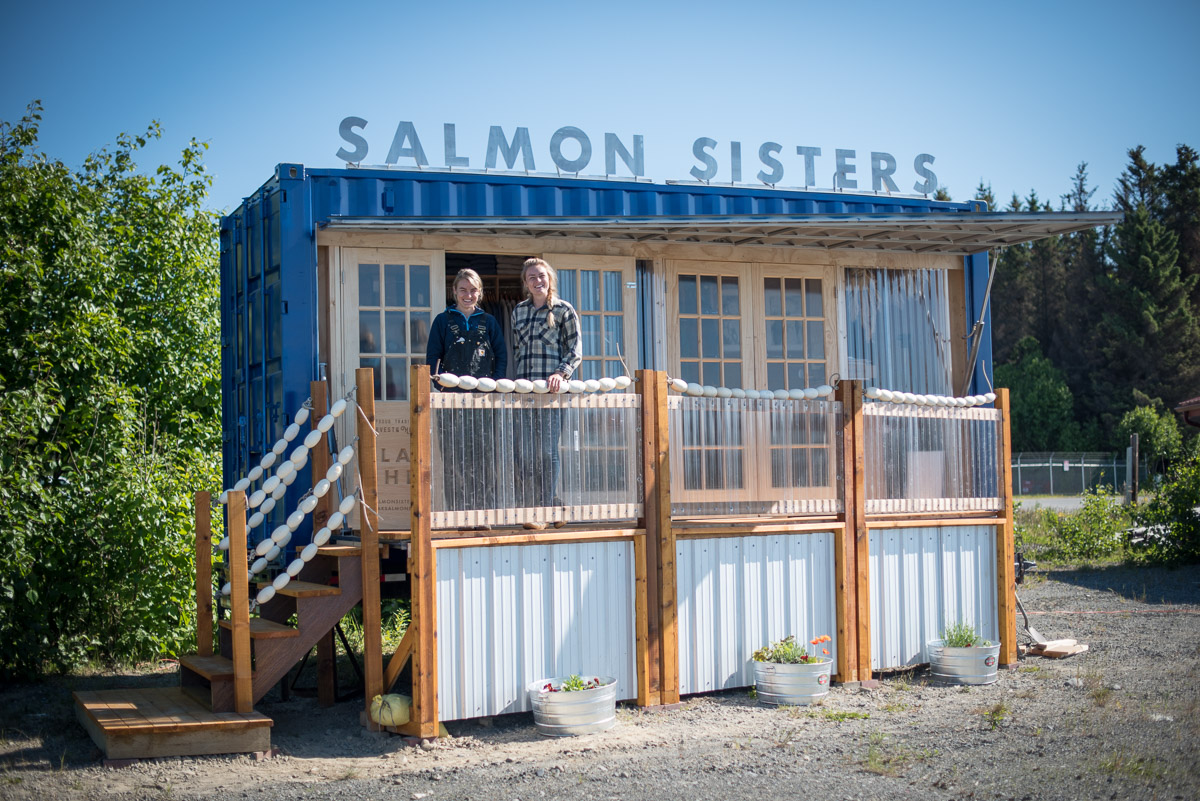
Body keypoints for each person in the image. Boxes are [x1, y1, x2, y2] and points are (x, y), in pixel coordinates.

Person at [426, 269, 507, 522]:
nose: (468, 295)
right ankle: (457, 515)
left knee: (482, 457)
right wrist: (439, 388)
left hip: (482, 401)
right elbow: (432, 358)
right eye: (463, 290)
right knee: (453, 457)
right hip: (450, 402)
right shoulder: (442, 320)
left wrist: (494, 386)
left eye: (473, 290)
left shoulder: (490, 322)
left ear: (480, 293)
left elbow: (501, 356)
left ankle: (484, 516)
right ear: (454, 292)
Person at [511, 258, 583, 528]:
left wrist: (560, 373)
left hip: (552, 394)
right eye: (531, 277)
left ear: (549, 278)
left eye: (541, 276)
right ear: (526, 283)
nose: (537, 281)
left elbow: (575, 351)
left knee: (546, 451)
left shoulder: (564, 310)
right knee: (526, 453)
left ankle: (542, 511)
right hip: (526, 393)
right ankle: (554, 505)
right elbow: (518, 351)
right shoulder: (518, 311)